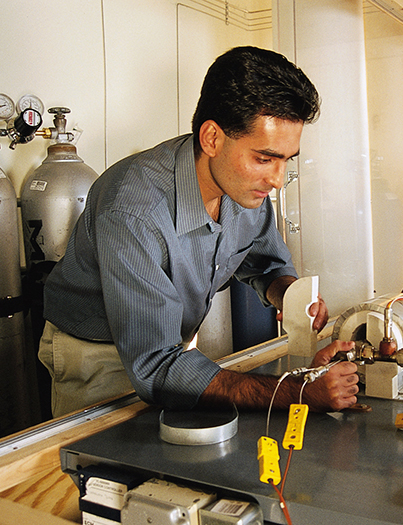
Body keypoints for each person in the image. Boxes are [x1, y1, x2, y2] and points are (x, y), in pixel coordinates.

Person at [39, 46, 359, 418]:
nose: (277, 179)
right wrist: (296, 392)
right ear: (212, 139)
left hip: (170, 351)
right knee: (106, 468)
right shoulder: (132, 209)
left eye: (286, 160)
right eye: (264, 158)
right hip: (97, 357)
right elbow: (157, 367)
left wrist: (289, 295)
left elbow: (265, 264)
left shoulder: (242, 187)